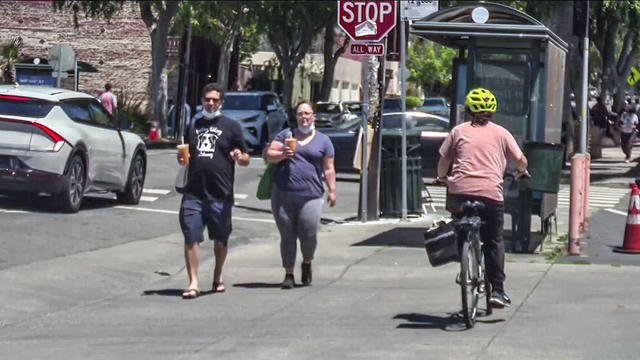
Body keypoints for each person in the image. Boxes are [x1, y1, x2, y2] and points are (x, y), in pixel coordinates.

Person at [436, 87, 529, 309]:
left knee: (459, 224)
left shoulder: (458, 131)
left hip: (459, 191)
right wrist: (521, 171)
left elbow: (443, 160)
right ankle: (497, 290)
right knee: (494, 240)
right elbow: (521, 160)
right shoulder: (502, 133)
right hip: (490, 194)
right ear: (492, 112)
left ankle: (464, 262)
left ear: (468, 109)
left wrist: (442, 177)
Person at [177, 83, 250, 299]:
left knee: (220, 239)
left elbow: (245, 159)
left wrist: (239, 156)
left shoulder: (231, 127)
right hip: (194, 192)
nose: (210, 103)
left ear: (221, 102)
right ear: (202, 100)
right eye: (207, 99)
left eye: (215, 100)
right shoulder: (193, 124)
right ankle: (193, 283)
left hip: (220, 193)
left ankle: (217, 276)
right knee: (191, 235)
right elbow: (186, 154)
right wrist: (181, 157)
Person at [265, 101, 336, 289]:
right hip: (283, 193)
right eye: (300, 114)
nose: (303, 117)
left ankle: (307, 262)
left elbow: (328, 168)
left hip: (311, 195)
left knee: (308, 233)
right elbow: (269, 154)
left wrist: (332, 190)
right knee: (287, 235)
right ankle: (288, 273)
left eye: (307, 113)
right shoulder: (286, 135)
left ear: (314, 116)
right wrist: (283, 154)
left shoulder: (323, 140)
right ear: (296, 116)